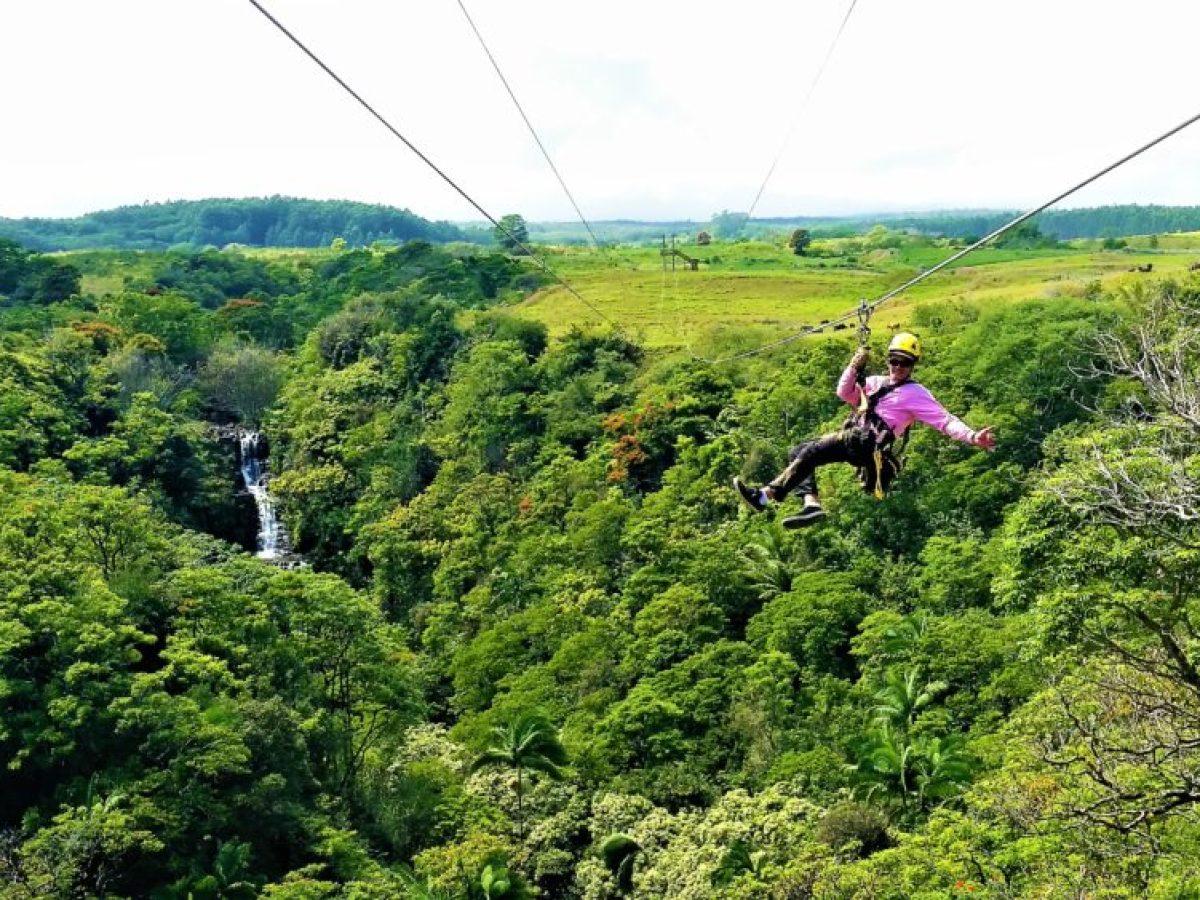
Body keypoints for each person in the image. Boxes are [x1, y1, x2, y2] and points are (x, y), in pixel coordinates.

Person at [733, 332, 995, 528]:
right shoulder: (875, 382)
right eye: (894, 361)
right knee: (800, 451)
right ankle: (809, 504)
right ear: (888, 360)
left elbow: (945, 420)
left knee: (809, 451)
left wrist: (972, 436)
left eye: (904, 363)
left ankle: (765, 496)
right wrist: (854, 365)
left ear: (913, 366)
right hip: (853, 438)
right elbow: (844, 392)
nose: (898, 367)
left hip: (868, 445)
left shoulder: (916, 394)